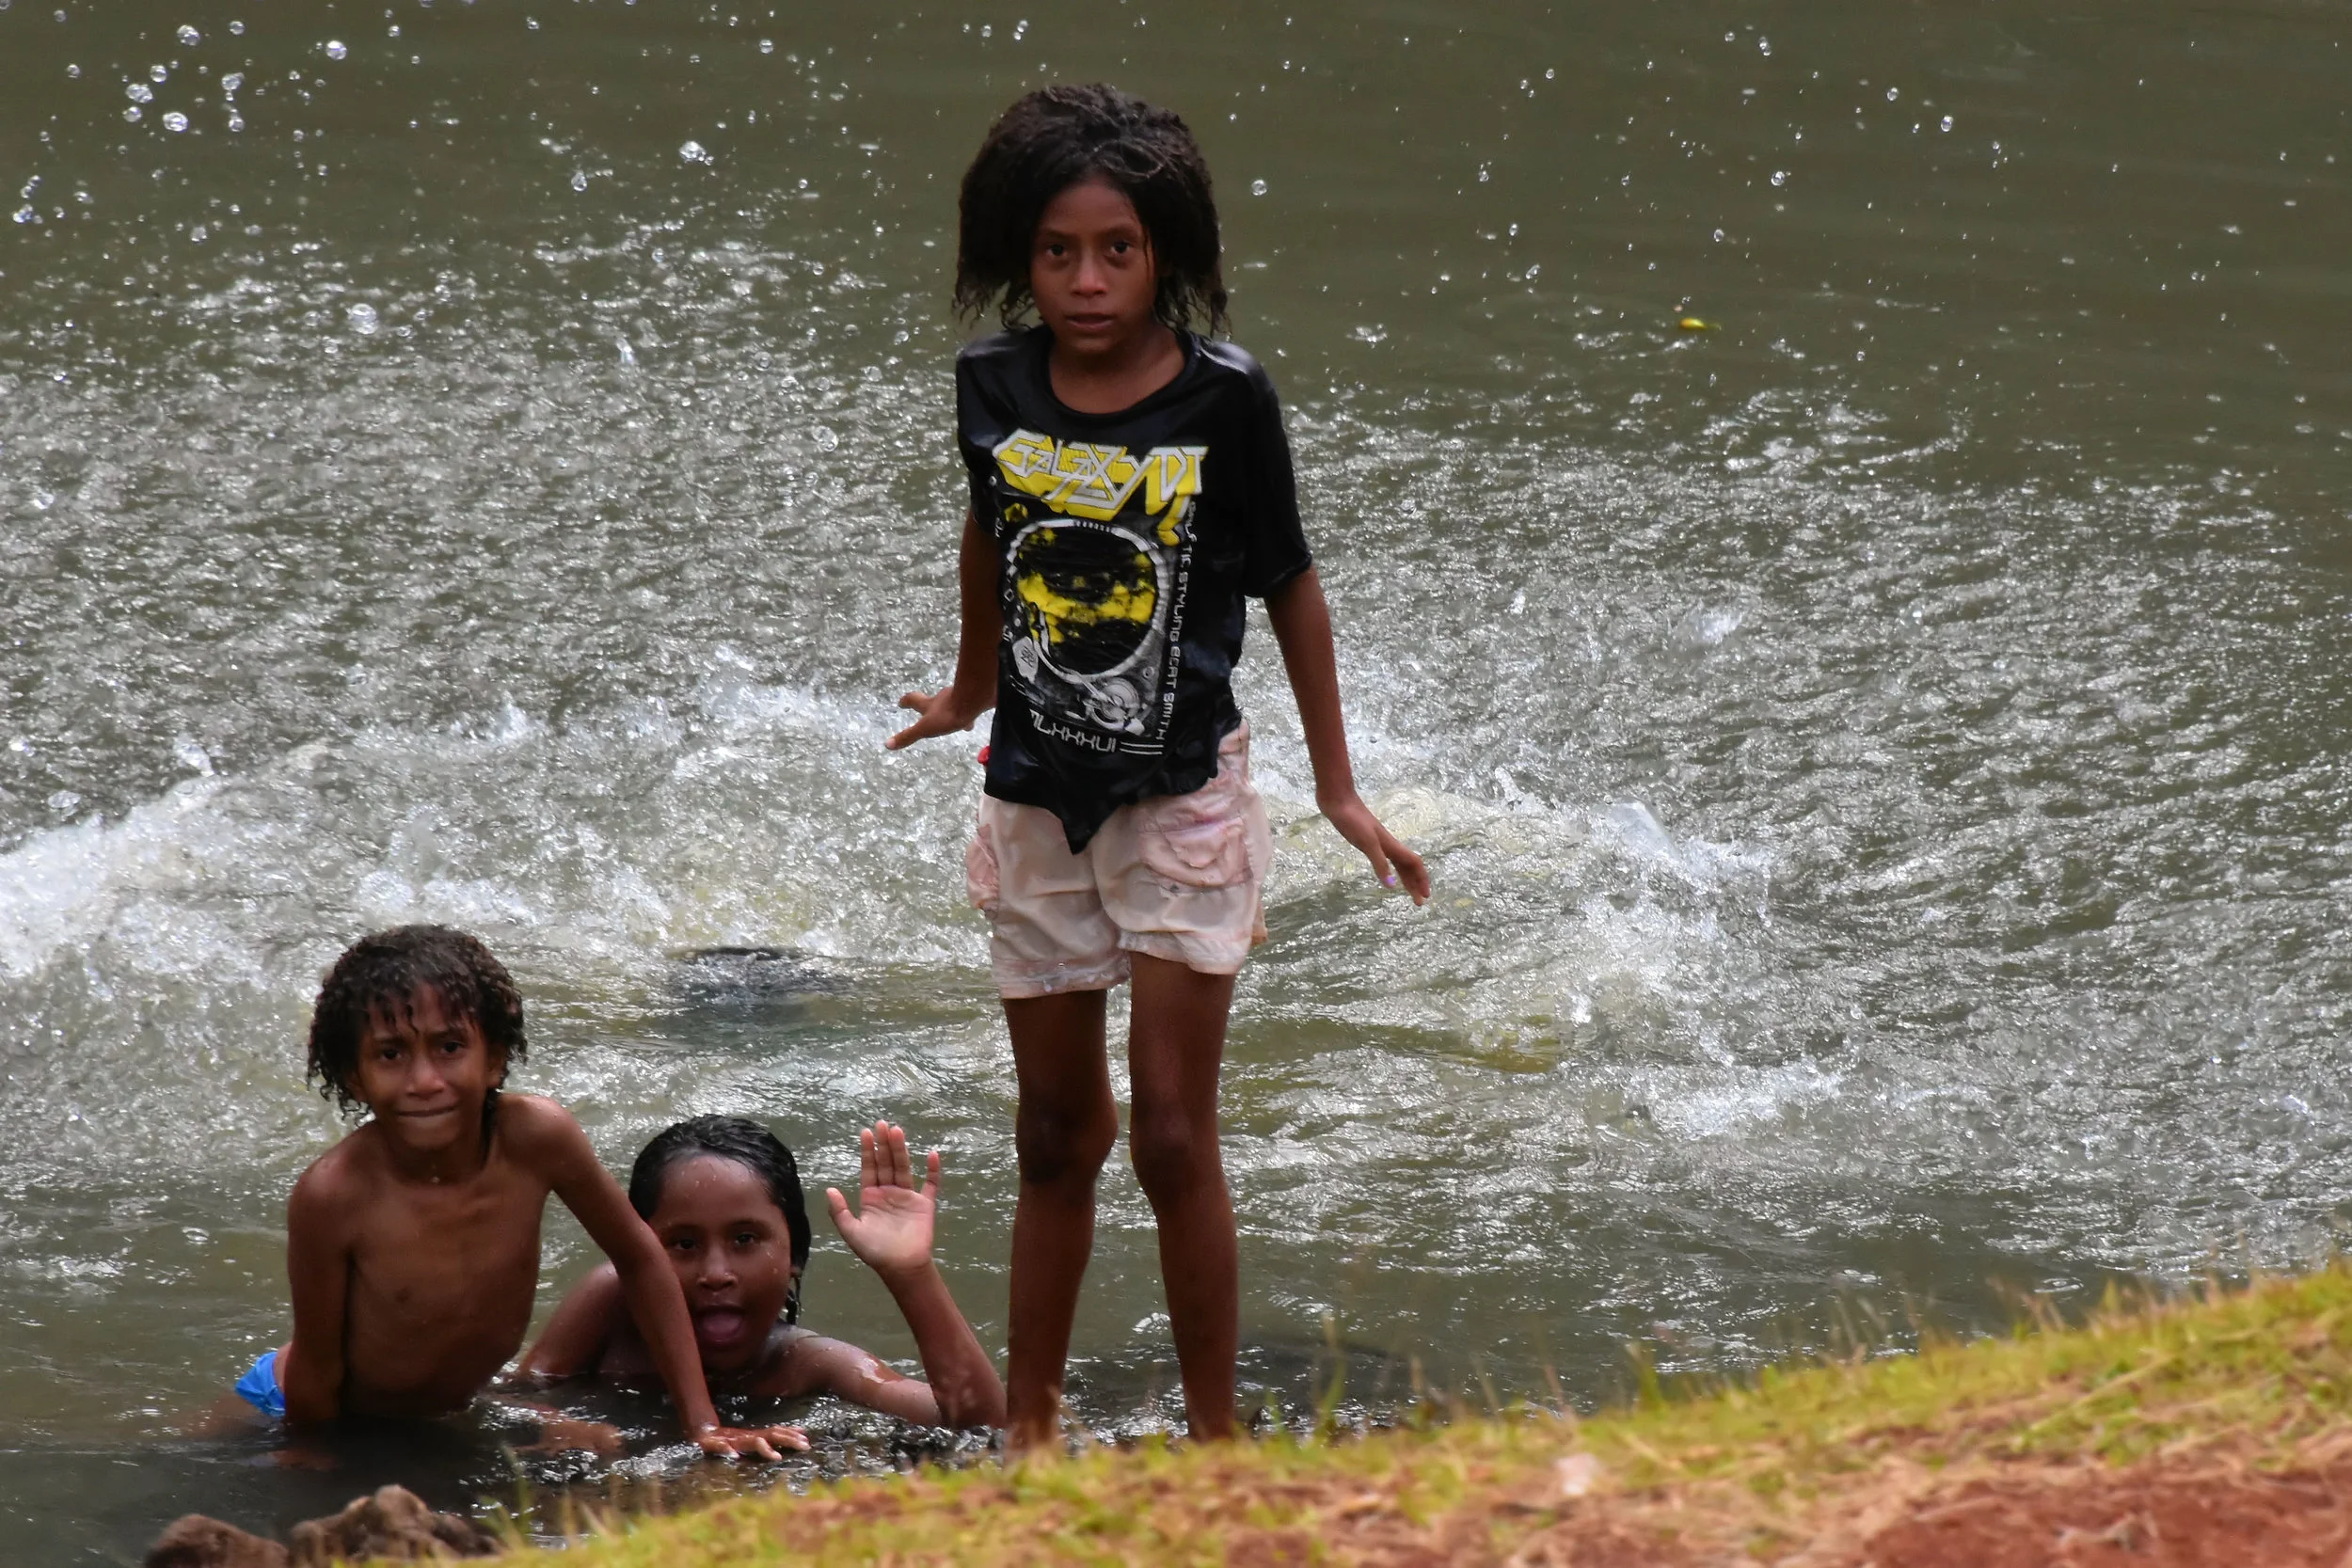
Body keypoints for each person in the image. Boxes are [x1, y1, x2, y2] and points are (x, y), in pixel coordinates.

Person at [888, 83, 1432, 1449]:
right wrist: (968, 686)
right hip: (1032, 792)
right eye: (1059, 250)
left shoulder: (1223, 399)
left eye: (1117, 249)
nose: (1086, 280)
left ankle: (1213, 1438)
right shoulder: (992, 384)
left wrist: (1336, 785)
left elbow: (1292, 582)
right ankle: (1029, 1432)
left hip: (1182, 791)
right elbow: (988, 530)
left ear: (1165, 252)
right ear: (1018, 252)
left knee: (1177, 1132)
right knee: (1056, 1135)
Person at [230, 926, 801, 1459]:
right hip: (292, 1405)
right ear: (354, 1076)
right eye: (390, 1054)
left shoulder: (537, 1138)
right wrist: (309, 1458)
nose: (424, 1080)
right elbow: (318, 1370)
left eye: (450, 1047)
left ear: (495, 1057)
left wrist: (701, 1423)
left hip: (443, 1412)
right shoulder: (333, 1196)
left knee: (598, 1451)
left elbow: (640, 1256)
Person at [521, 1116, 1005, 1429]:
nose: (716, 1273)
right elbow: (513, 1404)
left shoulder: (808, 1364)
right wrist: (564, 1425)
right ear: (639, 1251)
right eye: (684, 1244)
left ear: (794, 1254)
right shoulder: (611, 1301)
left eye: (745, 1240)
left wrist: (910, 1274)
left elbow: (986, 1424)